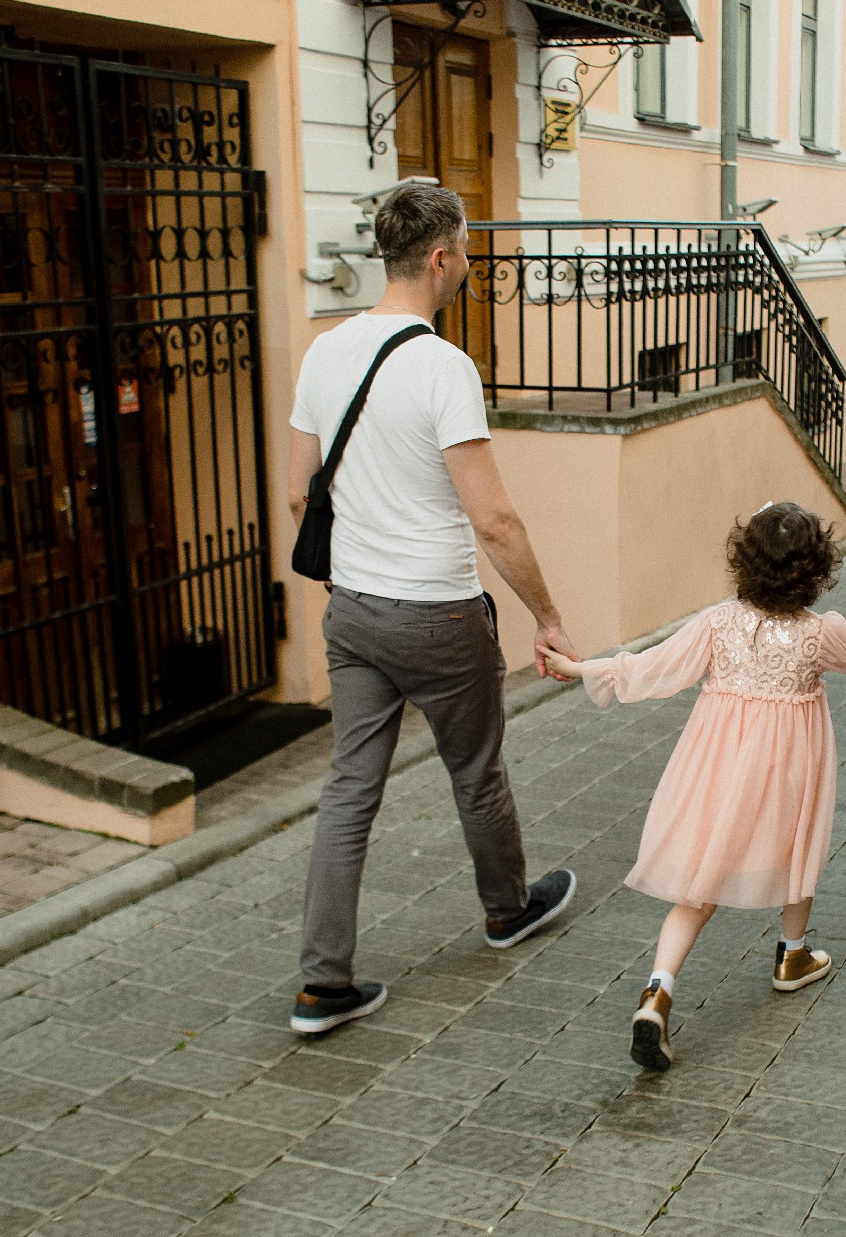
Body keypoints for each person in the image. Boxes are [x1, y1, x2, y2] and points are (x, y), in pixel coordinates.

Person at [287, 183, 580, 1035]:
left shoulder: (325, 351)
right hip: (438, 614)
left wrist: (352, 575)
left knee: (349, 791)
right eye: (465, 253)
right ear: (442, 257)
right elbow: (492, 518)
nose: (466, 267)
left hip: (355, 611)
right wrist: (548, 614)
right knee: (475, 768)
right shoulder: (442, 365)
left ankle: (322, 984)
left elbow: (300, 497)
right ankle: (506, 908)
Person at [540, 503, 846, 1071]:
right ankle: (792, 956)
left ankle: (657, 992)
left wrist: (579, 669)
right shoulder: (819, 634)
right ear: (815, 569)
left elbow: (651, 667)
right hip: (790, 767)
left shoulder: (717, 623)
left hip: (716, 768)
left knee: (700, 881)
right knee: (798, 842)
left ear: (745, 562)